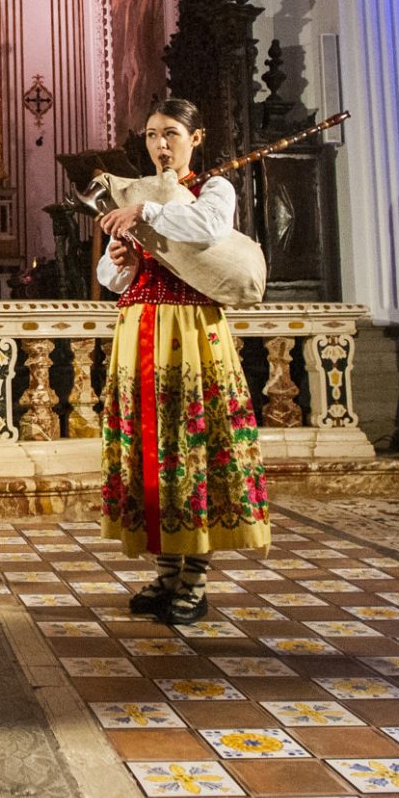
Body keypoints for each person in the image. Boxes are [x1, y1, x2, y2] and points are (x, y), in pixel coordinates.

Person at [93, 98, 269, 626]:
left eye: (171, 133)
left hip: (190, 333)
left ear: (196, 138)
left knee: (193, 451)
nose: (160, 144)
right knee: (154, 452)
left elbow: (208, 229)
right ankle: (168, 570)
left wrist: (145, 213)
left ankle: (196, 580)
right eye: (151, 135)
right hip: (139, 329)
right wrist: (119, 260)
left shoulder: (212, 188)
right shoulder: (140, 194)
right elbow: (111, 279)